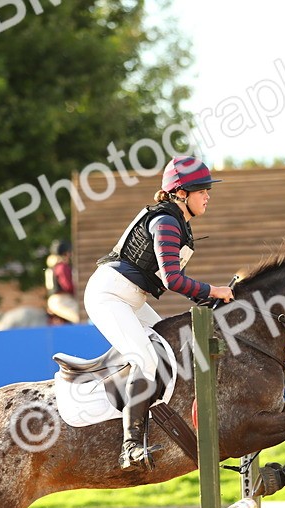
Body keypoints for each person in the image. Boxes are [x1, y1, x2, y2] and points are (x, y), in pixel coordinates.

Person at [84, 155, 235, 470]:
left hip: (132, 299)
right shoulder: (165, 222)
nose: (208, 195)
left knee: (171, 346)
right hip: (109, 296)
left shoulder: (178, 223)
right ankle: (130, 447)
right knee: (147, 359)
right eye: (201, 189)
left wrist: (212, 299)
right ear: (181, 193)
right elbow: (172, 280)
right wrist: (212, 291)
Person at [44, 239, 79, 324]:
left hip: (53, 300)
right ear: (66, 253)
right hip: (63, 300)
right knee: (83, 318)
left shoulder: (52, 266)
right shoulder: (62, 266)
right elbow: (68, 286)